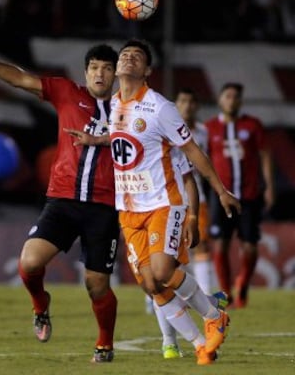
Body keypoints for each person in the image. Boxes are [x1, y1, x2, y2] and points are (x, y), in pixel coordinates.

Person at [66, 39, 241, 365]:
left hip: (163, 201)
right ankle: (201, 344)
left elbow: (192, 153)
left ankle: (214, 314)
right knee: (150, 284)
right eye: (125, 55)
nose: (128, 59)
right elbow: (124, 138)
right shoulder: (114, 103)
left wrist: (219, 191)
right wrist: (96, 140)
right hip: (128, 209)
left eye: (137, 57)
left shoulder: (160, 107)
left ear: (147, 71)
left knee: (162, 270)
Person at [0, 44, 120, 363]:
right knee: (30, 263)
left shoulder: (130, 110)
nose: (100, 73)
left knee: (97, 284)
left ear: (115, 74)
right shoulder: (66, 91)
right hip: (62, 201)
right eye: (95, 67)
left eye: (107, 68)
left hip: (103, 207)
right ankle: (41, 306)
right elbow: (19, 79)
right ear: (86, 72)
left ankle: (104, 344)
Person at [205, 82, 275, 308]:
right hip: (221, 195)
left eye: (236, 96)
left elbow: (265, 155)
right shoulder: (210, 128)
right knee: (220, 245)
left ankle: (242, 283)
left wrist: (269, 186)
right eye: (227, 96)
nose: (231, 100)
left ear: (240, 100)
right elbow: (203, 159)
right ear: (220, 100)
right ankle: (226, 292)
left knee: (250, 247)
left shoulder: (252, 125)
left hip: (249, 195)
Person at [175, 88, 213, 294]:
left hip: (198, 196)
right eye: (183, 101)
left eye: (191, 101)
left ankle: (206, 296)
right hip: (170, 197)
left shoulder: (203, 132)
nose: (187, 105)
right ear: (176, 104)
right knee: (170, 250)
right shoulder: (166, 129)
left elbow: (209, 164)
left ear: (196, 105)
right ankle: (157, 296)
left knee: (202, 245)